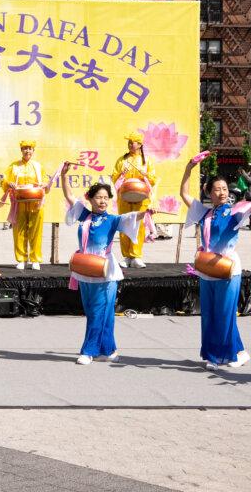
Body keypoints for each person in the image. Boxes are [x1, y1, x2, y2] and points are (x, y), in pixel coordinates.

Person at [179, 152, 251, 369]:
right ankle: (235, 352)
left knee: (225, 314)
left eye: (225, 189)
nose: (222, 192)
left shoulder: (234, 211)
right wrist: (189, 167)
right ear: (209, 192)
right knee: (209, 314)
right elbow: (184, 193)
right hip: (207, 268)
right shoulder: (204, 213)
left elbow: (249, 207)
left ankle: (220, 356)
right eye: (217, 189)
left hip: (227, 269)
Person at [60, 172, 149, 364]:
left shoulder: (113, 220)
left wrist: (147, 212)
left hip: (104, 270)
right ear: (90, 199)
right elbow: (68, 195)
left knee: (100, 311)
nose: (102, 201)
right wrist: (64, 175)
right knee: (95, 311)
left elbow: (133, 217)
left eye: (106, 198)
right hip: (85, 269)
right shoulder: (84, 215)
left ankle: (88, 350)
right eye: (98, 197)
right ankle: (108, 350)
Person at [111, 132, 158, 267]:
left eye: (133, 142)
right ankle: (126, 256)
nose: (131, 145)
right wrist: (122, 174)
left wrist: (145, 175)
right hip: (124, 196)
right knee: (125, 223)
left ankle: (136, 255)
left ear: (140, 144)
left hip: (141, 197)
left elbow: (153, 179)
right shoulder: (122, 160)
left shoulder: (146, 161)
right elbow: (114, 177)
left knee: (139, 225)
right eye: (129, 142)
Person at [0, 139, 46, 270]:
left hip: (35, 203)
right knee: (19, 231)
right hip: (19, 203)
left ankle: (35, 259)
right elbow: (4, 180)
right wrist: (9, 183)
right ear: (21, 150)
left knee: (36, 231)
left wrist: (43, 184)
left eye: (30, 148)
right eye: (25, 148)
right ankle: (21, 259)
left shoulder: (38, 166)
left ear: (33, 150)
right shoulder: (14, 166)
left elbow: (46, 182)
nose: (27, 151)